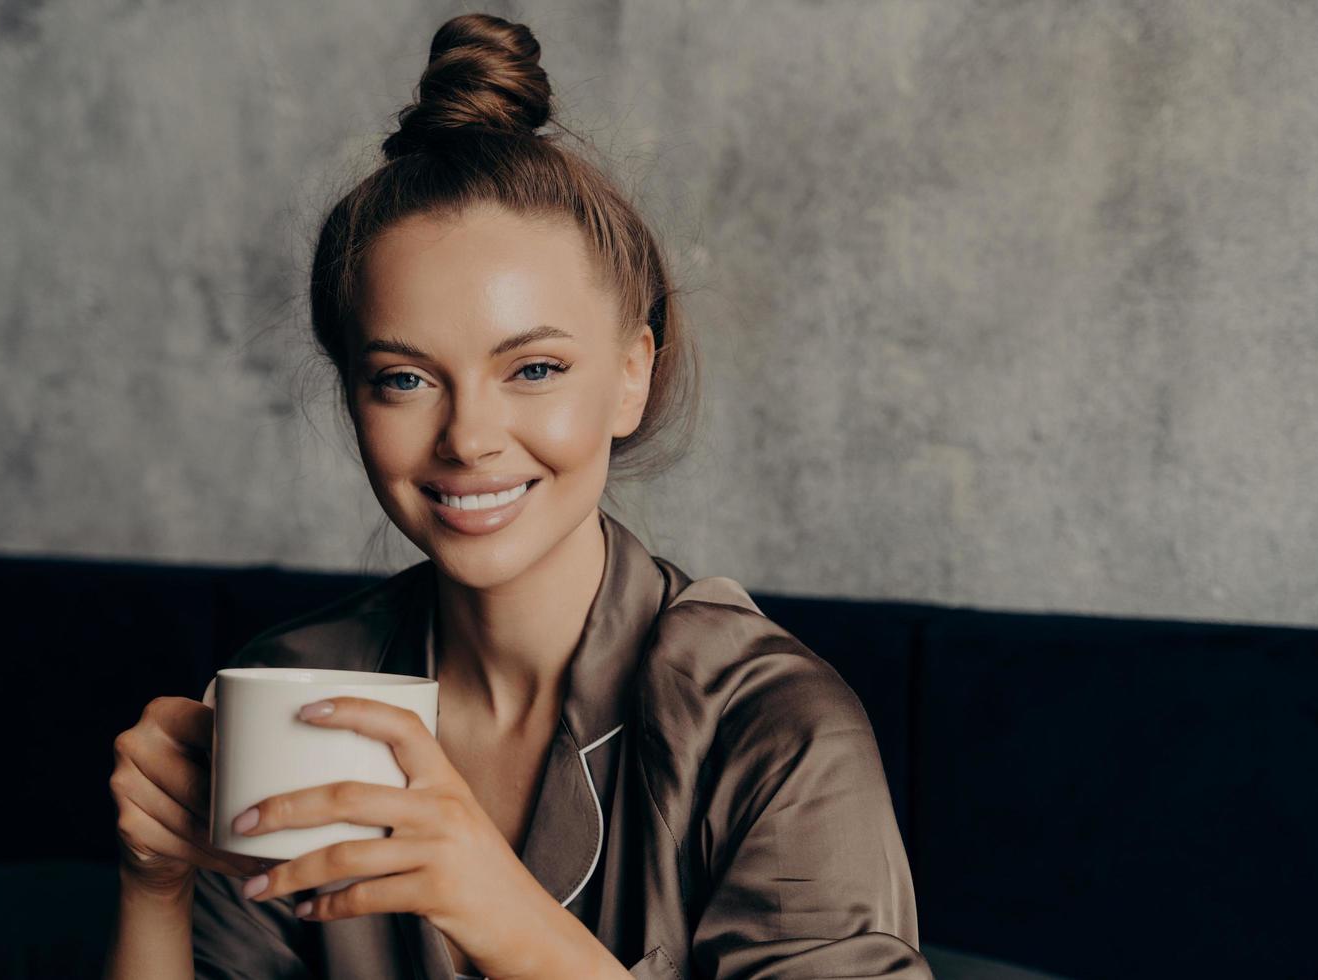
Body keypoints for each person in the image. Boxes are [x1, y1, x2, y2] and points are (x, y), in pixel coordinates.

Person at [105, 12, 931, 980]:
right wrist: (151, 882)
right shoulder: (297, 687)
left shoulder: (773, 726)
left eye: (533, 368)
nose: (468, 437)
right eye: (405, 379)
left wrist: (501, 910)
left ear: (632, 374)